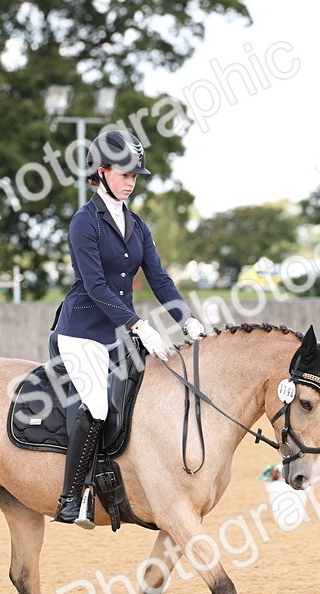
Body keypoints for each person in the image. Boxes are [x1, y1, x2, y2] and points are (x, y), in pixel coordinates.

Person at [50, 129, 205, 528]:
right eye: (124, 174)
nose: (131, 181)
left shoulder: (136, 225)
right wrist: (137, 324)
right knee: (98, 405)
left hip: (119, 332)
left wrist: (184, 318)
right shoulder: (84, 223)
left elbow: (158, 276)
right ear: (101, 173)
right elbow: (96, 285)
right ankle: (71, 498)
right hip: (82, 331)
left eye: (135, 175)